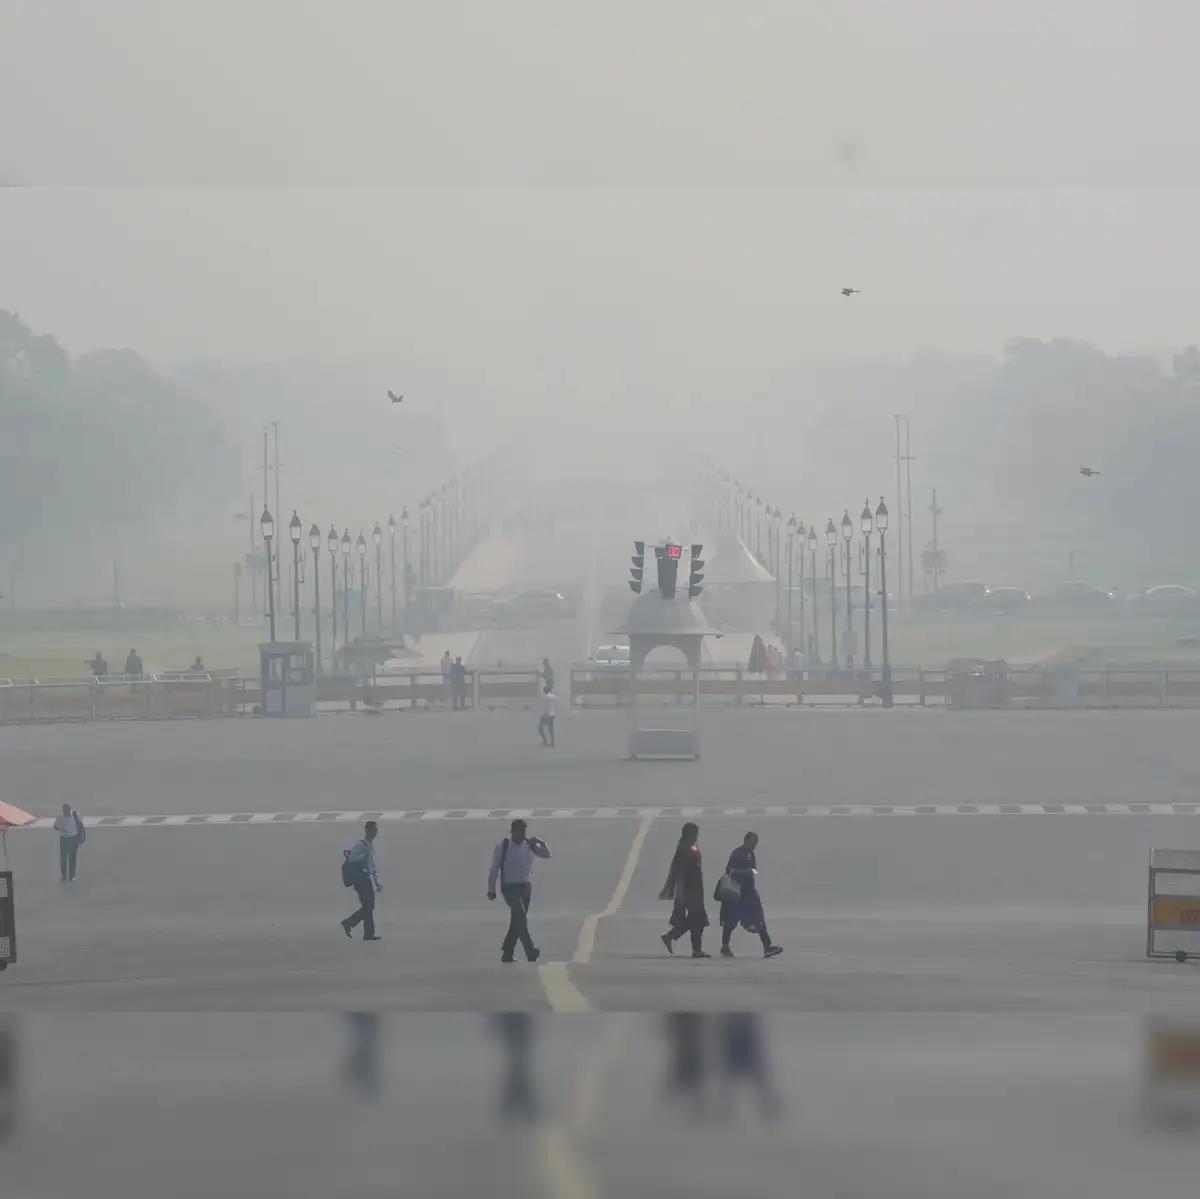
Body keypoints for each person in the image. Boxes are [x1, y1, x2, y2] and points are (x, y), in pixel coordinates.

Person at [487, 818, 550, 963]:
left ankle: (507, 953)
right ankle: (530, 951)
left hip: (525, 886)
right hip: (509, 887)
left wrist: (541, 842)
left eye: (524, 831)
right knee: (521, 917)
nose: (522, 834)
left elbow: (547, 854)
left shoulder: (529, 845)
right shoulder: (504, 846)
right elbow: (494, 869)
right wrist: (491, 889)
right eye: (519, 831)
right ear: (512, 831)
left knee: (517, 921)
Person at [718, 832, 782, 959]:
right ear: (745, 840)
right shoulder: (737, 854)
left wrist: (751, 873)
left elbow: (753, 871)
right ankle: (724, 946)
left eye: (755, 843)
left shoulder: (751, 855)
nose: (754, 846)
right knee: (730, 922)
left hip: (750, 893)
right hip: (736, 894)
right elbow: (729, 871)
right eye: (752, 842)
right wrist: (745, 873)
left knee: (759, 918)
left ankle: (767, 947)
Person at [659, 822, 710, 958]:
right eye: (695, 834)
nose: (696, 837)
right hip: (689, 889)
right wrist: (679, 890)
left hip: (696, 888)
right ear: (689, 835)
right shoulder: (683, 850)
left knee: (697, 919)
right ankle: (674, 938)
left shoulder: (691, 847)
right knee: (697, 918)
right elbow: (678, 872)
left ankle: (682, 942)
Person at [341, 820, 383, 941]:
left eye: (376, 830)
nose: (375, 833)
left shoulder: (369, 845)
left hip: (365, 877)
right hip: (360, 879)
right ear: (367, 831)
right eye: (373, 830)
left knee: (368, 906)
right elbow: (352, 859)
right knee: (368, 905)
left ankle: (355, 926)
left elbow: (372, 866)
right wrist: (363, 856)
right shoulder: (361, 845)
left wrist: (376, 882)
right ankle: (358, 928)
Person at [53, 803, 84, 882]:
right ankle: (64, 874)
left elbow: (80, 823)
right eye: (65, 812)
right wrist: (60, 829)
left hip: (73, 838)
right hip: (64, 838)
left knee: (72, 858)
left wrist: (79, 838)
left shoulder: (75, 814)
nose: (67, 813)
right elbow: (55, 826)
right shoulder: (59, 817)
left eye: (68, 811)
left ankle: (72, 875)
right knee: (63, 857)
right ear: (63, 811)